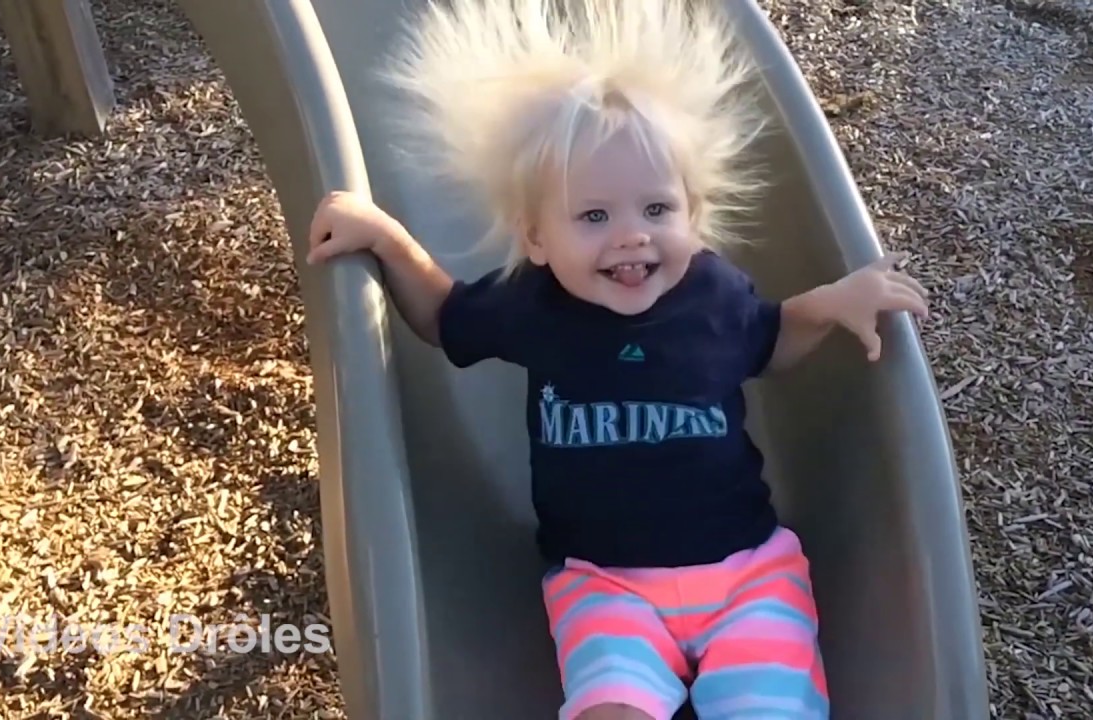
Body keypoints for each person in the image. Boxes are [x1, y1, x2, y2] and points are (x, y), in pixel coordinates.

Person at [305, 1, 929, 717]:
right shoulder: (531, 306)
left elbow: (769, 343)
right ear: (536, 237)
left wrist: (826, 304)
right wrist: (385, 238)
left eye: (657, 210)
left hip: (748, 573)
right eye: (594, 217)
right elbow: (443, 317)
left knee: (771, 707)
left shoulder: (714, 293)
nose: (632, 237)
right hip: (605, 583)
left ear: (692, 214)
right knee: (611, 709)